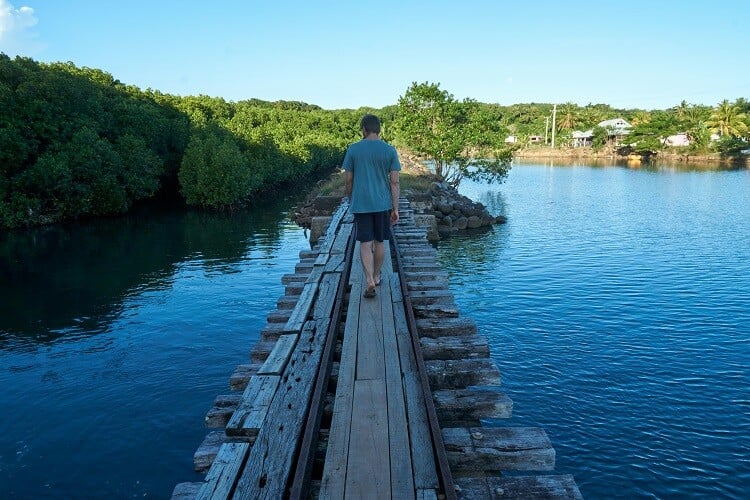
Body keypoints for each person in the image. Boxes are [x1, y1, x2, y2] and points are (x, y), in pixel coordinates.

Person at [343, 114, 401, 298]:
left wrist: (350, 197)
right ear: (379, 129)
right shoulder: (389, 150)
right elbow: (394, 182)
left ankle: (368, 279)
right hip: (382, 203)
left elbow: (349, 180)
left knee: (365, 243)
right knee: (380, 241)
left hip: (361, 204)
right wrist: (395, 208)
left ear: (364, 129)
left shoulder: (353, 149)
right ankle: (377, 276)